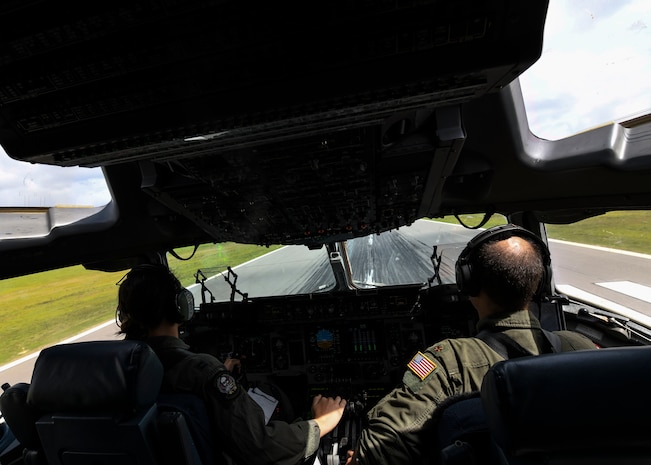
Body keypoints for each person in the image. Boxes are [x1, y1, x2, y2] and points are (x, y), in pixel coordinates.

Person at [346, 224, 597, 465]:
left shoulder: (445, 360)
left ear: (468, 283)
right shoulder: (580, 348)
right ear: (541, 280)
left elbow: (379, 451)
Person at [116, 263, 346, 465]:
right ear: (180, 307)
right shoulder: (203, 372)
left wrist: (215, 380)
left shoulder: (116, 372)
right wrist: (320, 423)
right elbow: (263, 448)